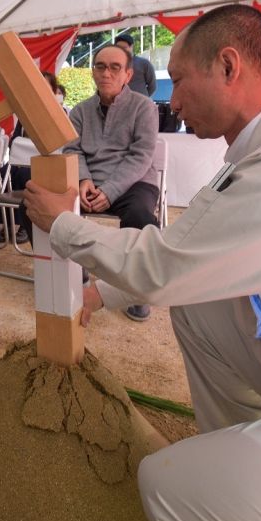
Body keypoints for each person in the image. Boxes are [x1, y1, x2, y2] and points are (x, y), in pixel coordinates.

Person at [24, 4, 261, 521]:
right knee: (202, 303)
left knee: (164, 492)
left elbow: (164, 267)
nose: (173, 99)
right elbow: (191, 251)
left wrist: (65, 226)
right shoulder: (258, 152)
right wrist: (98, 294)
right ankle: (240, 453)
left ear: (228, 66)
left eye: (182, 77)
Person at [64, 44, 159, 320]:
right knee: (39, 204)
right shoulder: (79, 111)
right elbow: (72, 149)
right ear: (93, 72)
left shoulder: (144, 107)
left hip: (134, 182)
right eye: (100, 66)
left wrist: (111, 189)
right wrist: (83, 180)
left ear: (128, 74)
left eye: (115, 67)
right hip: (90, 181)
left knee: (141, 218)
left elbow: (141, 156)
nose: (106, 73)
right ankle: (75, 269)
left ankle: (135, 290)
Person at [114, 32, 157, 97]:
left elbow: (152, 86)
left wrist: (143, 98)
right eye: (119, 48)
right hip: (120, 103)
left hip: (141, 104)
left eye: (124, 47)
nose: (121, 50)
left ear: (131, 47)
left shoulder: (144, 63)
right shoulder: (113, 65)